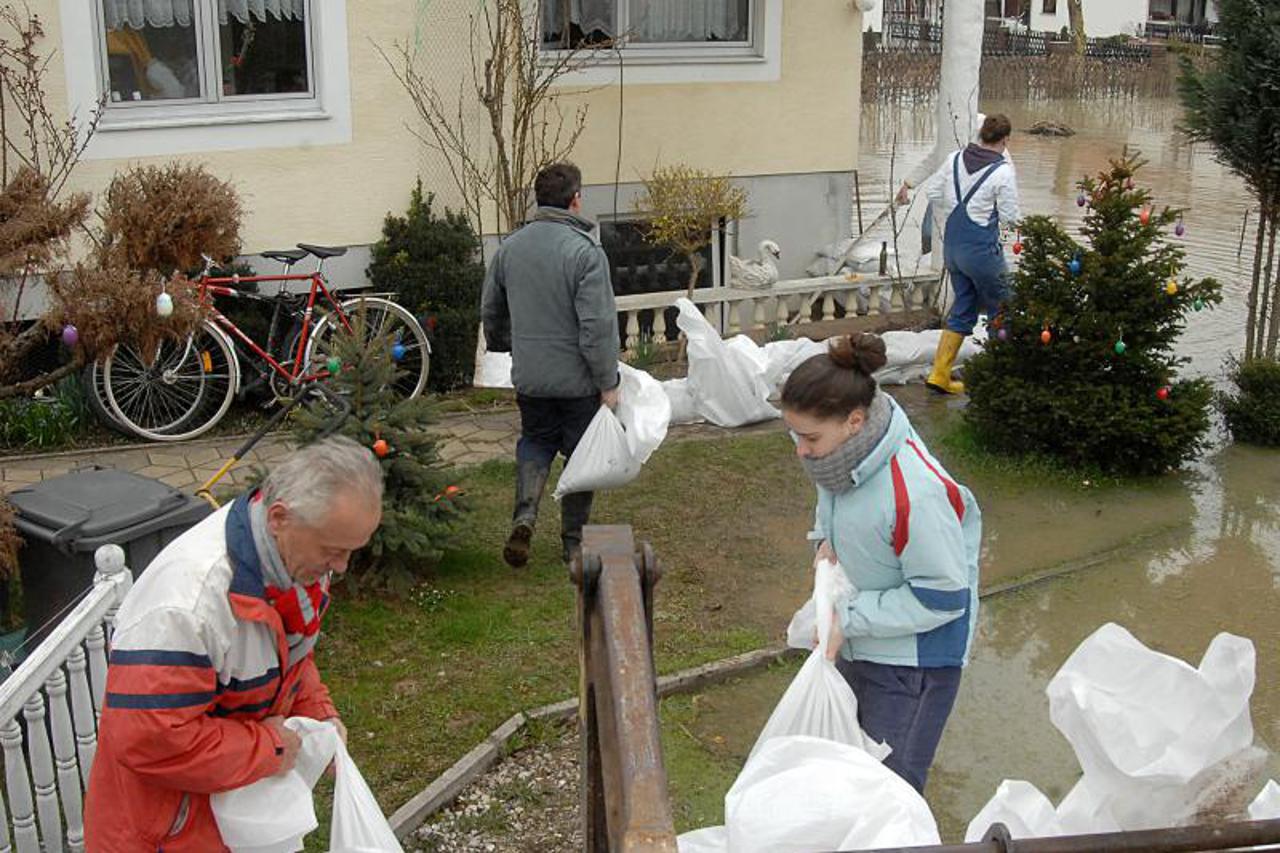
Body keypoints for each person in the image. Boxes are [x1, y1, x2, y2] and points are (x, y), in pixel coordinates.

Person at [84, 435, 383, 851]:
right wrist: (272, 746)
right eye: (334, 551)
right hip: (164, 834)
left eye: (351, 551)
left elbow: (284, 657)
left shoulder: (284, 558)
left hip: (226, 813)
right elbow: (150, 740)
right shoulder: (188, 606)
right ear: (279, 517)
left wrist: (317, 713)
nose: (341, 567)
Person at [781, 334, 981, 794]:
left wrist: (846, 617)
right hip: (864, 642)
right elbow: (834, 497)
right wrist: (826, 539)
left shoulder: (915, 493)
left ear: (855, 420)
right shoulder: (841, 458)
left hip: (914, 666)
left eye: (810, 437)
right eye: (795, 435)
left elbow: (943, 597)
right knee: (848, 774)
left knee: (888, 792)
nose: (801, 450)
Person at [482, 162, 620, 568]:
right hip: (577, 382)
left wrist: (506, 346)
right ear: (575, 199)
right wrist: (607, 380)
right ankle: (573, 543)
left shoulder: (510, 248)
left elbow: (491, 308)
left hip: (531, 376)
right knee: (582, 458)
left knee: (536, 441)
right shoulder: (586, 252)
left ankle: (525, 515)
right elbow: (596, 327)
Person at [921, 113, 1021, 395]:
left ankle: (940, 374)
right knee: (1003, 309)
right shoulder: (1002, 171)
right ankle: (998, 378)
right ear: (1004, 140)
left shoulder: (955, 159)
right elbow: (1011, 217)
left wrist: (957, 202)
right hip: (981, 252)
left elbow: (933, 192)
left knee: (963, 305)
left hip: (952, 250)